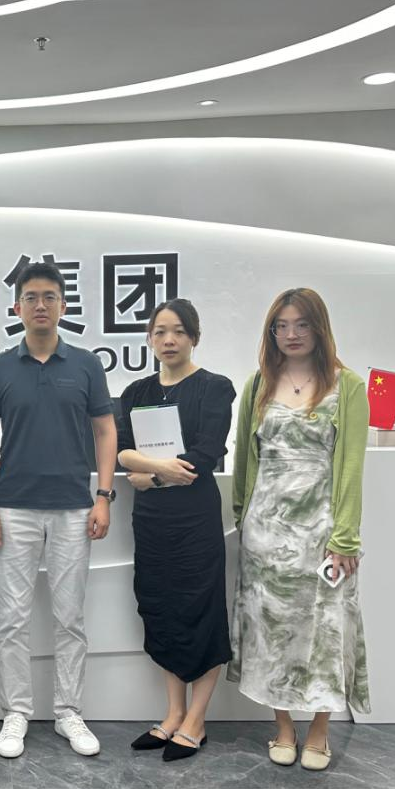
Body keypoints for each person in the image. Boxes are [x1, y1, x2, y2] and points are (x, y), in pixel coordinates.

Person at [0, 262, 118, 759]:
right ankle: (16, 711)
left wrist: (103, 496)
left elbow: (105, 431)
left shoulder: (86, 365)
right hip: (13, 507)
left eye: (49, 297)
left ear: (63, 305)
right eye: (31, 297)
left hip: (74, 507)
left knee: (70, 616)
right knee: (12, 618)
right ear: (17, 307)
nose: (40, 305)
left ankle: (67, 711)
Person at [228, 287, 370, 772]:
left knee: (326, 631)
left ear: (319, 328)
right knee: (272, 634)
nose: (291, 334)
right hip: (265, 535)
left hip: (322, 534)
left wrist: (345, 537)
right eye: (281, 326)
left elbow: (350, 467)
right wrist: (243, 516)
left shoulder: (347, 386)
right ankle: (284, 727)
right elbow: (246, 458)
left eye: (302, 324)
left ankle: (321, 731)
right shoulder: (258, 384)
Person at [116, 299, 235, 761]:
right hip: (151, 522)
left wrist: (154, 476)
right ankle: (173, 714)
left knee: (200, 610)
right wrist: (157, 470)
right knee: (160, 608)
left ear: (194, 338)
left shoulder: (214, 388)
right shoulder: (137, 391)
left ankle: (196, 721)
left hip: (195, 520)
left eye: (179, 331)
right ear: (149, 339)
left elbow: (204, 456)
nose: (169, 340)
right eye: (160, 331)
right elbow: (122, 451)